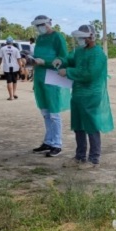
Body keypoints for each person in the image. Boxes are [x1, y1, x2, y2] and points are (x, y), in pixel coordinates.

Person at [57, 23, 113, 169]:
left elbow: (90, 74)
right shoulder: (80, 52)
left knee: (91, 125)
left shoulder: (98, 54)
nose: (80, 40)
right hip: (78, 93)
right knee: (78, 125)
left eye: (82, 38)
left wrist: (68, 72)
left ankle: (94, 158)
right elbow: (70, 59)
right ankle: (80, 156)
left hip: (91, 94)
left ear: (91, 37)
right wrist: (61, 61)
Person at [30, 15, 70, 157]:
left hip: (52, 76)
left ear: (48, 24)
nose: (39, 28)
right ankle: (48, 141)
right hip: (40, 76)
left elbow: (63, 57)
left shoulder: (57, 37)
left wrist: (45, 62)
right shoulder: (40, 39)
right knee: (45, 112)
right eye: (37, 25)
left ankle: (57, 143)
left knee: (53, 112)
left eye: (40, 25)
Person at [0, 36, 22, 100]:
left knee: (9, 81)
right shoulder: (16, 49)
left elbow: (0, 58)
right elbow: (19, 59)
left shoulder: (2, 49)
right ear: (12, 42)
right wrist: (21, 67)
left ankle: (11, 96)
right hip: (15, 67)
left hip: (7, 67)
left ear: (6, 42)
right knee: (14, 81)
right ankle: (14, 93)